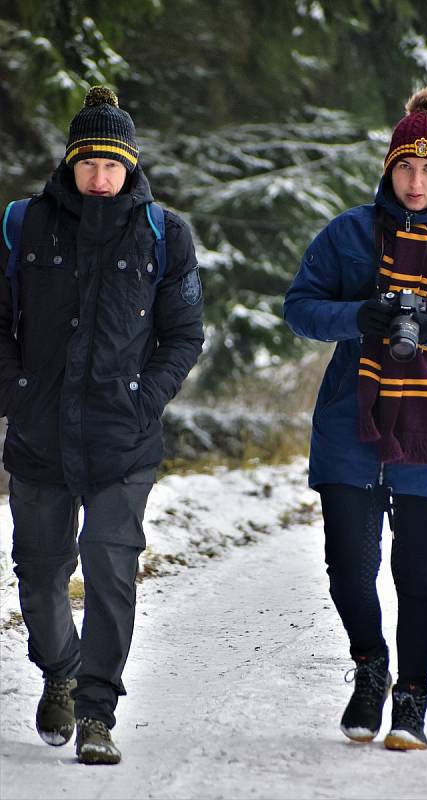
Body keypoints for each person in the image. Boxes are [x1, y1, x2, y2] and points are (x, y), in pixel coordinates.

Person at [283, 87, 427, 750]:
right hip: (350, 428)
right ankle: (370, 666)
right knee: (349, 573)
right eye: (405, 169)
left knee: (417, 578)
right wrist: (358, 316)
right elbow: (300, 308)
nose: (416, 182)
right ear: (388, 169)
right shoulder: (349, 234)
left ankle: (411, 699)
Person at [0, 86, 204, 764]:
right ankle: (60, 668)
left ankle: (97, 712)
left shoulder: (163, 233)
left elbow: (184, 335)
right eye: (87, 163)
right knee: (39, 570)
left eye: (111, 165)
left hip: (123, 437)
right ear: (70, 161)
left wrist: (146, 399)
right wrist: (17, 394)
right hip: (40, 434)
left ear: (131, 165)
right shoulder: (23, 224)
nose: (99, 177)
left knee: (110, 568)